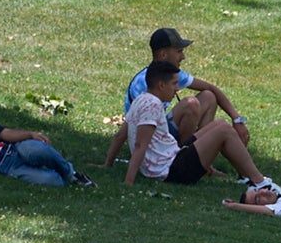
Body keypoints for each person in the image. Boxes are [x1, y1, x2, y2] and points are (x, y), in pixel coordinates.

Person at [123, 60, 281, 193]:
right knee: (224, 130)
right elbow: (140, 145)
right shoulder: (153, 105)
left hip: (173, 158)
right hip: (171, 171)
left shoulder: (141, 99)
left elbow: (122, 133)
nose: (177, 89)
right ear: (161, 85)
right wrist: (128, 182)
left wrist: (108, 163)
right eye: (174, 84)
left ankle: (246, 177)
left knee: (220, 124)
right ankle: (260, 182)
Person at [104, 27, 250, 169]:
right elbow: (128, 128)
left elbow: (211, 88)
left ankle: (203, 158)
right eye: (179, 51)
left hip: (160, 134)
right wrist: (116, 168)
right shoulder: (144, 83)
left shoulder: (171, 75)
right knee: (191, 104)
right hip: (149, 140)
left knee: (208, 97)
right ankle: (189, 159)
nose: (183, 57)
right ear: (163, 55)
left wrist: (237, 119)